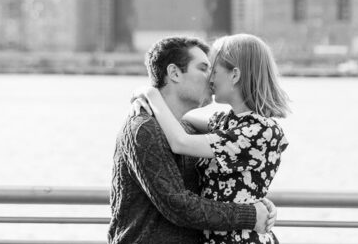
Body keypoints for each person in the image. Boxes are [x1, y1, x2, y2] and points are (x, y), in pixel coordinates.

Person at [108, 36, 276, 244]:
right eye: (204, 68)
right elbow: (179, 205)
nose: (211, 78)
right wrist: (250, 214)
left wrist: (254, 200)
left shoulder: (188, 129)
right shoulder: (144, 129)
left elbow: (209, 188)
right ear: (174, 73)